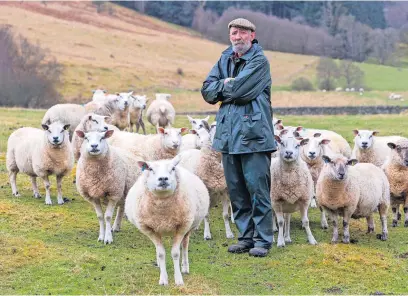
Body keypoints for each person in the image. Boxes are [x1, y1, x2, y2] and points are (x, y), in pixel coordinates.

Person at [201, 18, 277, 257]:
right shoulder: (224, 58)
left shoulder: (259, 61)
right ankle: (245, 237)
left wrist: (225, 86)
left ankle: (262, 240)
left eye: (243, 33)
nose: (237, 37)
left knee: (258, 190)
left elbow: (240, 92)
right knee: (236, 191)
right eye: (234, 33)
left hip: (253, 136)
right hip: (228, 136)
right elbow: (207, 90)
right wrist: (227, 83)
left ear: (252, 36)